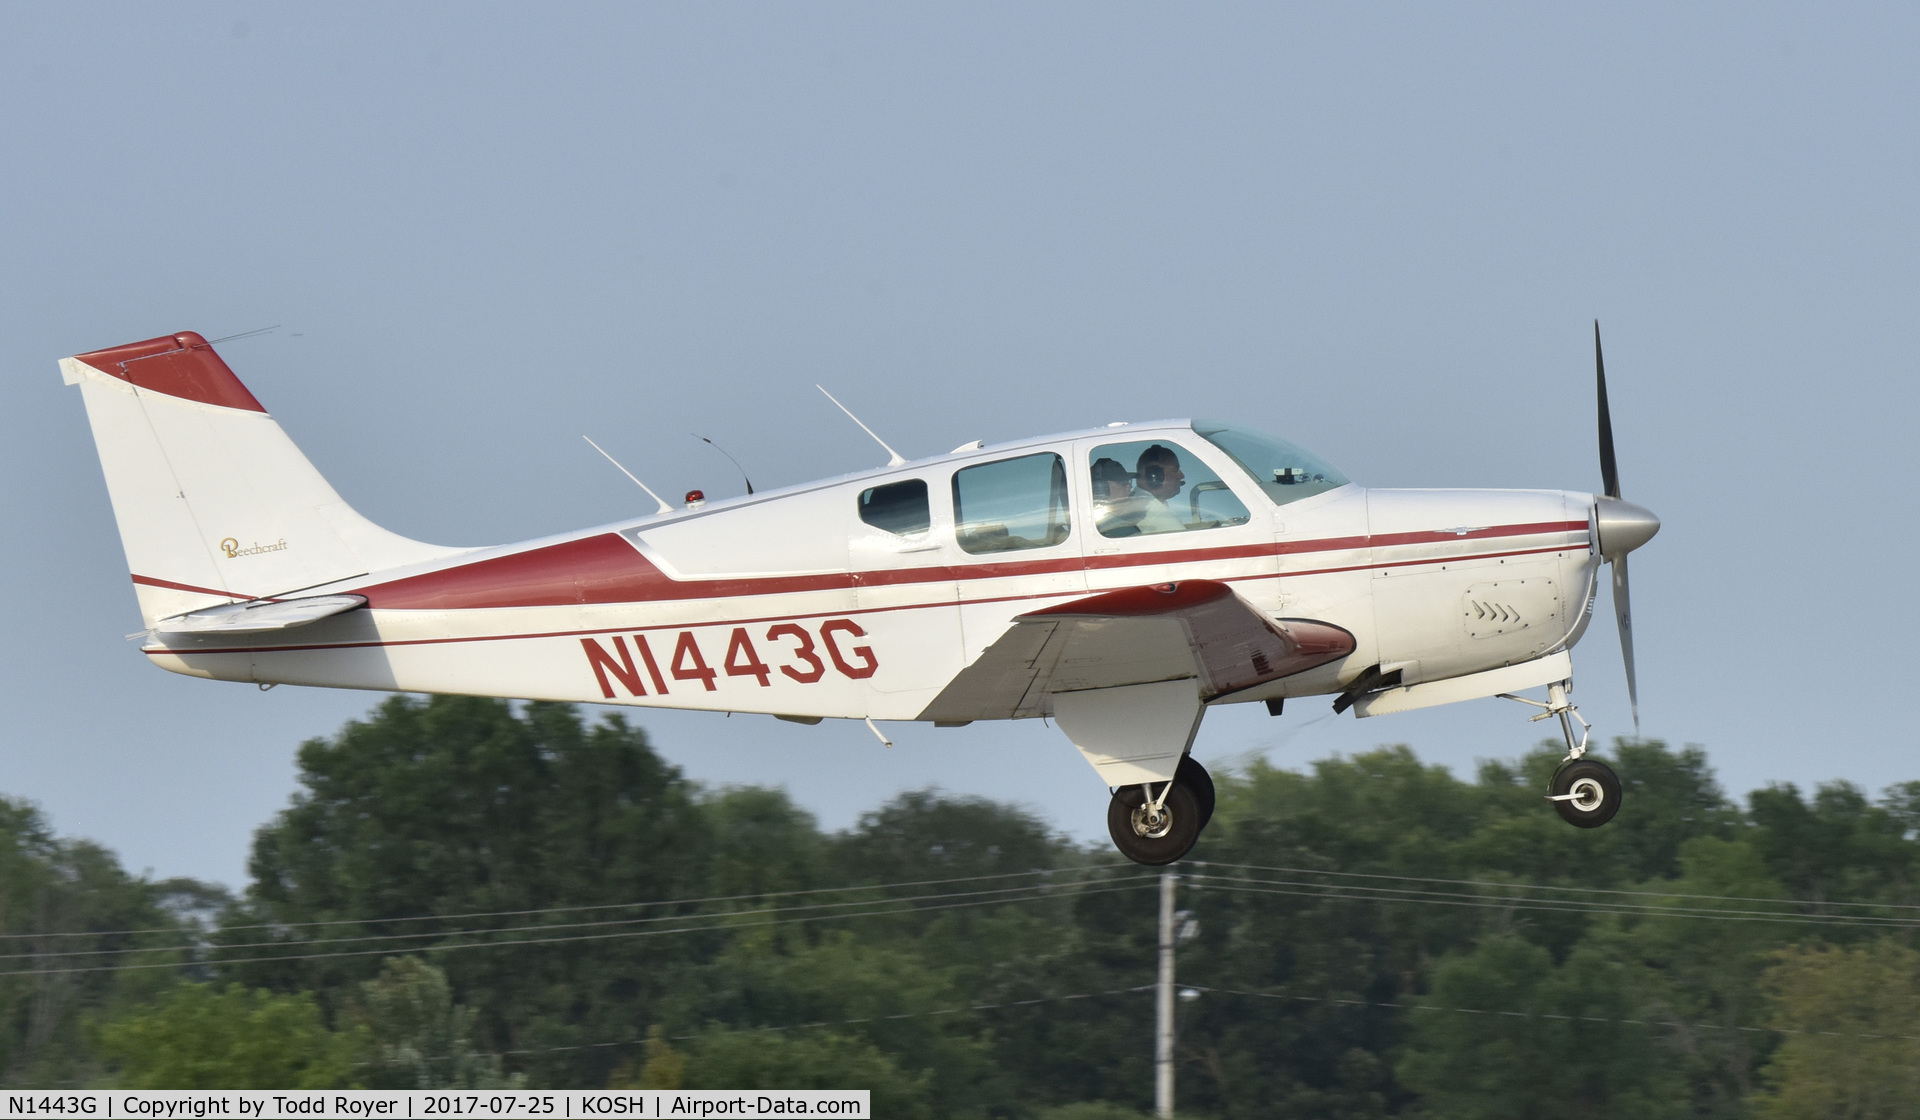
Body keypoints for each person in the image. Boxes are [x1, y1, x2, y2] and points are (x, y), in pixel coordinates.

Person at [1132, 444, 1187, 534]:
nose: (1181, 475)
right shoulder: (1156, 513)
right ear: (1154, 476)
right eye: (1175, 470)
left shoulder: (1140, 501)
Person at [1090, 457, 1144, 536]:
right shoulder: (1124, 530)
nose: (1129, 486)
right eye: (1123, 482)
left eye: (1129, 481)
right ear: (1102, 488)